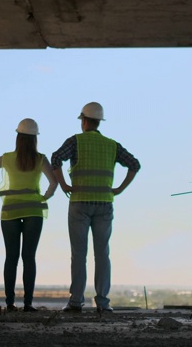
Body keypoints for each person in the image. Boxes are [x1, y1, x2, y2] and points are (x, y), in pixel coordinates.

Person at [51, 102, 141, 313]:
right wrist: (119, 189)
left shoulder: (75, 142)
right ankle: (102, 303)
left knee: (78, 255)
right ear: (99, 122)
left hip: (80, 203)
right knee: (102, 255)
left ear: (83, 121)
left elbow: (56, 158)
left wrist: (64, 185)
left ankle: (75, 302)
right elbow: (134, 164)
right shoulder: (112, 145)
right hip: (104, 204)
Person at [0, 118, 57, 312]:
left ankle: (10, 303)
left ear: (18, 137)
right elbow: (54, 183)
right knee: (29, 257)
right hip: (34, 211)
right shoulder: (40, 159)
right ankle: (28, 304)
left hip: (10, 211)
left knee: (11, 257)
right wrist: (43, 197)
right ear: (35, 139)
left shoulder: (6, 158)